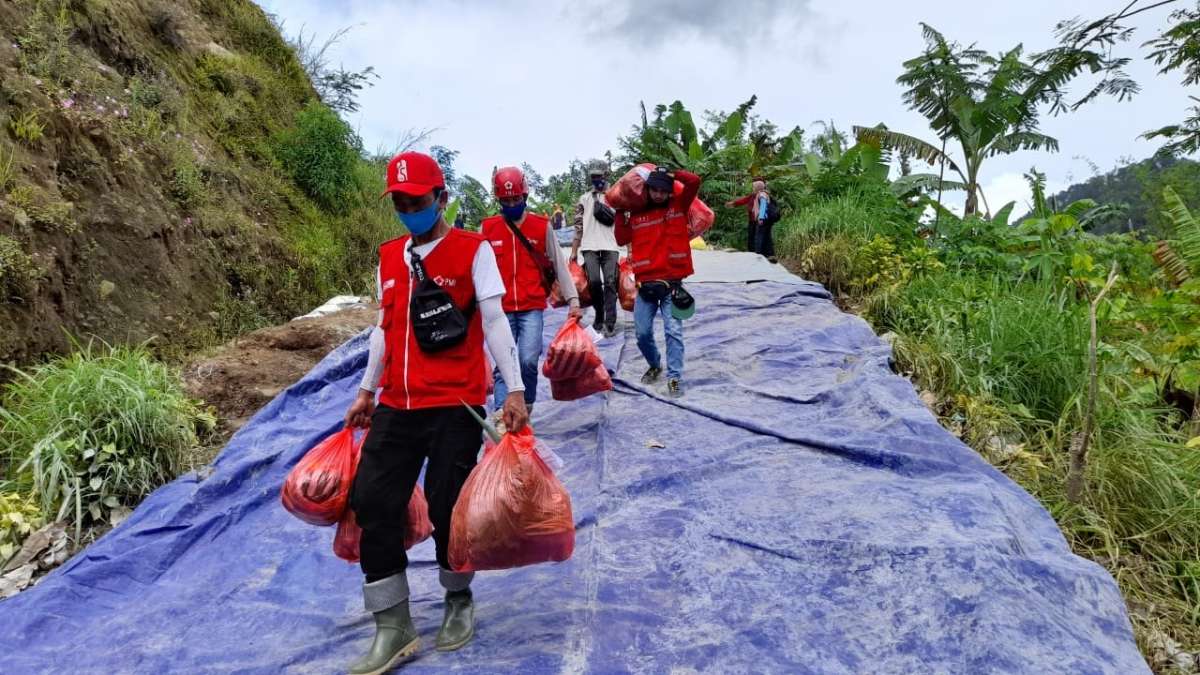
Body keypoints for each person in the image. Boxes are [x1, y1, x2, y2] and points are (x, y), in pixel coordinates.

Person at [342, 151, 530, 674]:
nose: (407, 209)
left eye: (416, 200)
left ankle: (457, 597)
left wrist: (513, 391)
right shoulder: (387, 256)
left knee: (450, 507)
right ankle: (393, 625)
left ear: (442, 199)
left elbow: (494, 323)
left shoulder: (474, 251)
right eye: (399, 202)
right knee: (372, 501)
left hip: (455, 403)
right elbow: (384, 330)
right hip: (397, 405)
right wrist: (365, 390)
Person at [481, 166, 583, 415]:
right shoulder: (487, 229)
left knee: (527, 360)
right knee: (504, 363)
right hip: (499, 310)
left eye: (516, 198)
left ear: (524, 196)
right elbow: (477, 271)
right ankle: (501, 416)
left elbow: (559, 263)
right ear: (499, 201)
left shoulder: (541, 226)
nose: (512, 203)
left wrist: (574, 300)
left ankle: (526, 404)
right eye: (506, 200)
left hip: (531, 307)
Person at [615, 165, 701, 398]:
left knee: (673, 332)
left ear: (669, 191)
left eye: (663, 191)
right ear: (648, 190)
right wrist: (619, 214)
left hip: (671, 286)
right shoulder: (636, 213)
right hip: (645, 287)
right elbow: (622, 238)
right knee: (642, 333)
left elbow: (693, 182)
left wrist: (674, 173)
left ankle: (674, 378)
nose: (659, 195)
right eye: (654, 190)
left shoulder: (678, 206)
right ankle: (655, 364)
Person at [571, 162, 622, 337]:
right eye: (593, 177)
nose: (597, 179)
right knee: (593, 282)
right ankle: (599, 315)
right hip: (589, 246)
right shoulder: (584, 199)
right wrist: (573, 251)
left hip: (610, 245)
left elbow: (624, 223)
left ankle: (610, 321)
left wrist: (630, 250)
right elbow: (578, 227)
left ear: (606, 176)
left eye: (599, 176)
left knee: (610, 282)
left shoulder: (616, 197)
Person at [726, 177, 770, 256]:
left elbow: (763, 206)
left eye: (753, 187)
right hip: (752, 220)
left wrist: (761, 217)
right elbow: (743, 200)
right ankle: (752, 253)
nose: (752, 188)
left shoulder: (762, 195)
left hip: (760, 220)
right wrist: (733, 204)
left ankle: (759, 253)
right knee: (751, 236)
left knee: (758, 237)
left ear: (757, 188)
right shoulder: (752, 196)